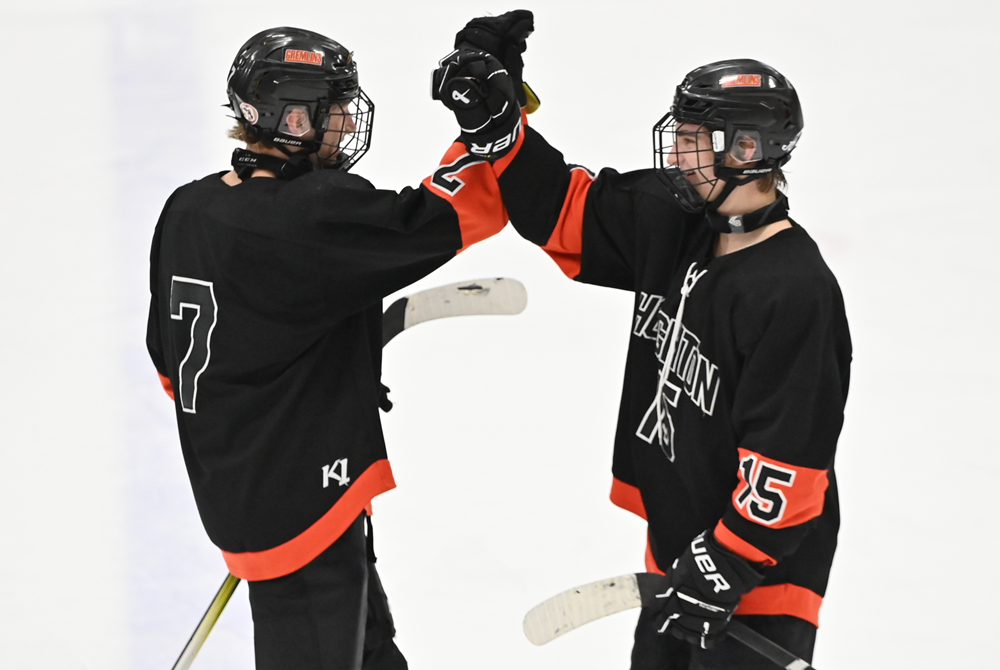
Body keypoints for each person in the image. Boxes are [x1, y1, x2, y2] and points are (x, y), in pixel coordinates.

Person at [434, 12, 851, 669]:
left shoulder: (793, 291)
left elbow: (792, 469)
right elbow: (563, 211)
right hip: (680, 548)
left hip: (760, 580)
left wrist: (726, 566)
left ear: (747, 151)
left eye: (694, 139)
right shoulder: (675, 217)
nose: (677, 153)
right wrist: (503, 127)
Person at [146, 27, 519, 670]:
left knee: (371, 652)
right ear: (292, 116)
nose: (346, 122)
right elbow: (460, 213)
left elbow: (170, 364)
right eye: (333, 106)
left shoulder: (188, 208)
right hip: (305, 508)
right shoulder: (312, 214)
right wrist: (494, 124)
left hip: (246, 489)